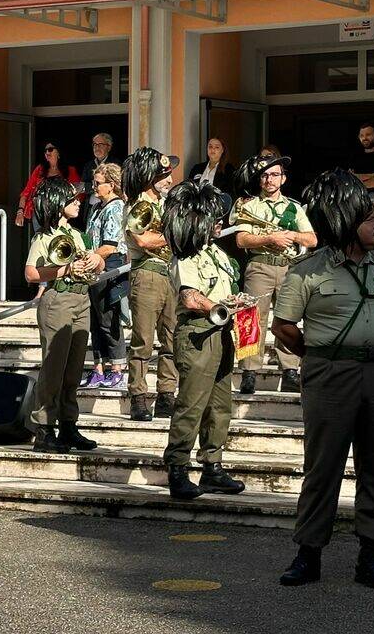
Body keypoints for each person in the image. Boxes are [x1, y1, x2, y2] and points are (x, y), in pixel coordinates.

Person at [272, 169, 374, 589]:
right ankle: (308, 553)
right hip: (331, 373)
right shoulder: (307, 271)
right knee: (323, 465)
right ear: (346, 221)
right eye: (370, 219)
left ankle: (371, 555)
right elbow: (283, 326)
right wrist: (319, 357)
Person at [161, 181, 246, 501]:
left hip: (223, 331)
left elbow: (218, 293)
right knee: (192, 403)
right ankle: (178, 468)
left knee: (220, 403)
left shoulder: (218, 254)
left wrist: (234, 301)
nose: (220, 221)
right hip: (198, 332)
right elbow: (191, 297)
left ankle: (212, 466)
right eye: (213, 217)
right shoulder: (187, 257)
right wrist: (220, 307)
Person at [230, 153, 317, 394]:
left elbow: (312, 238)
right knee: (250, 318)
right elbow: (240, 239)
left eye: (274, 175)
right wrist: (270, 238)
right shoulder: (249, 206)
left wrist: (291, 236)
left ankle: (290, 370)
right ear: (260, 180)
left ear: (283, 179)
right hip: (260, 265)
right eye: (265, 175)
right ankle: (249, 371)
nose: (269, 179)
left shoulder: (294, 207)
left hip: (289, 266)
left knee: (288, 318)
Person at [24, 178, 100, 452]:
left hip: (81, 297)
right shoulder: (43, 237)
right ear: (57, 204)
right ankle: (44, 427)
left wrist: (96, 260)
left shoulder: (78, 235)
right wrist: (65, 271)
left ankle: (69, 423)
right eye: (71, 200)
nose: (77, 202)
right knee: (54, 366)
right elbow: (31, 273)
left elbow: (95, 262)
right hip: (58, 298)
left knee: (74, 366)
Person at [122, 147, 180, 422]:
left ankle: (167, 395)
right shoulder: (136, 205)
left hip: (171, 273)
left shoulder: (166, 204)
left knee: (171, 337)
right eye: (164, 175)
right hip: (146, 274)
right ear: (149, 178)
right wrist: (175, 236)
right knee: (143, 339)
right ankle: (138, 397)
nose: (169, 179)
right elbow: (143, 241)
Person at [82, 163, 128, 390]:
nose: (94, 187)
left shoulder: (116, 207)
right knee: (95, 320)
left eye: (98, 183)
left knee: (109, 318)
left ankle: (117, 368)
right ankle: (98, 368)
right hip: (93, 265)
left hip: (109, 265)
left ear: (111, 185)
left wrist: (89, 258)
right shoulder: (97, 207)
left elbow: (110, 245)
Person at [16, 142, 81, 228]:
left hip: (62, 213)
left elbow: (78, 193)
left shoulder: (70, 170)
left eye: (50, 149)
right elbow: (26, 192)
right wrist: (20, 212)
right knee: (42, 239)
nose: (47, 152)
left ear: (58, 152)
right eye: (45, 150)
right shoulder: (39, 169)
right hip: (40, 212)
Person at [79, 132, 122, 226]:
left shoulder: (116, 164)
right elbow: (82, 187)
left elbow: (119, 186)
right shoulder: (88, 165)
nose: (96, 147)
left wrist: (89, 185)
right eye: (95, 144)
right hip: (91, 207)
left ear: (109, 147)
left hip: (109, 205)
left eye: (100, 144)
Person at [350, 123, 374, 190]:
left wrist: (358, 178)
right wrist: (373, 175)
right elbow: (349, 178)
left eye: (368, 135)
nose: (364, 138)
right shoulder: (355, 156)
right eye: (361, 135)